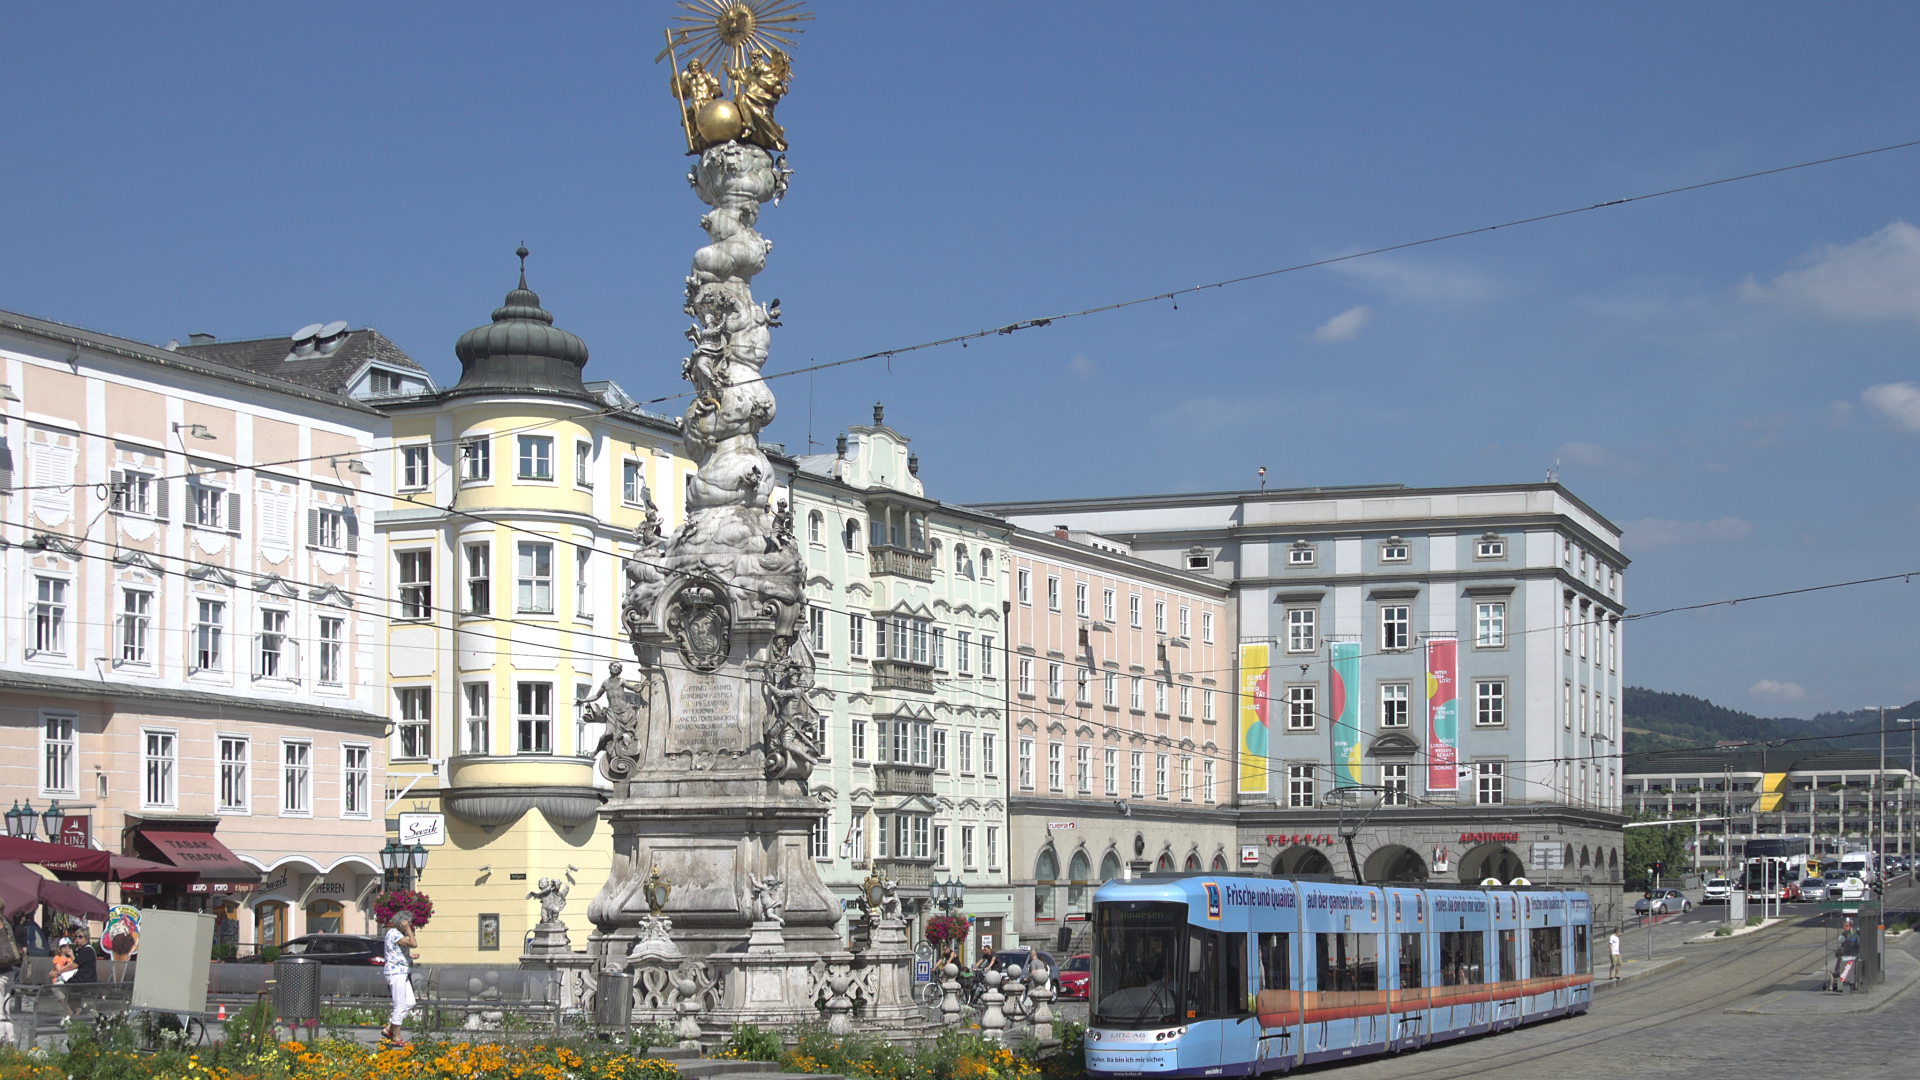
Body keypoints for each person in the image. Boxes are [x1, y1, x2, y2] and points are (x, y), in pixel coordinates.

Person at [381, 911, 418, 1045]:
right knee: (400, 1005)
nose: (409, 926)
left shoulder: (397, 934)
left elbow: (395, 951)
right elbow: (413, 943)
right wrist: (408, 929)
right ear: (402, 923)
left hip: (402, 971)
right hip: (396, 973)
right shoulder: (394, 933)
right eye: (407, 923)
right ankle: (396, 1037)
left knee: (410, 1002)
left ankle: (389, 1028)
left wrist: (409, 956)